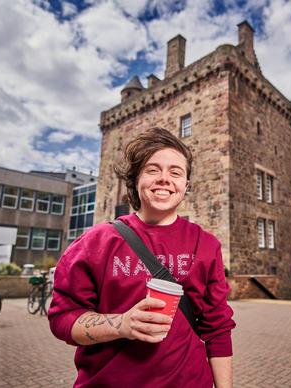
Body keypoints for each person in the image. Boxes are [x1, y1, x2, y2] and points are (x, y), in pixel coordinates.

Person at [48, 127, 235, 388]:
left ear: (186, 185)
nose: (164, 179)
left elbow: (217, 329)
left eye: (175, 172)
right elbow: (62, 319)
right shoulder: (96, 242)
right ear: (136, 180)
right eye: (152, 169)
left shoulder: (206, 245)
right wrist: (122, 324)